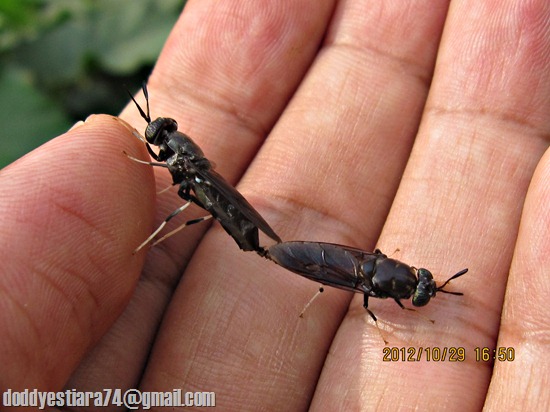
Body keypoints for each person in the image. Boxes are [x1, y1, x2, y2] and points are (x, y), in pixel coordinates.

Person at [1, 1, 549, 410]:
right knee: (203, 205)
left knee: (216, 214)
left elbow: (367, 278)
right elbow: (371, 282)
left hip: (335, 257)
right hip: (322, 253)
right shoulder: (180, 159)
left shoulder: (383, 284)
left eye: (422, 283)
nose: (422, 283)